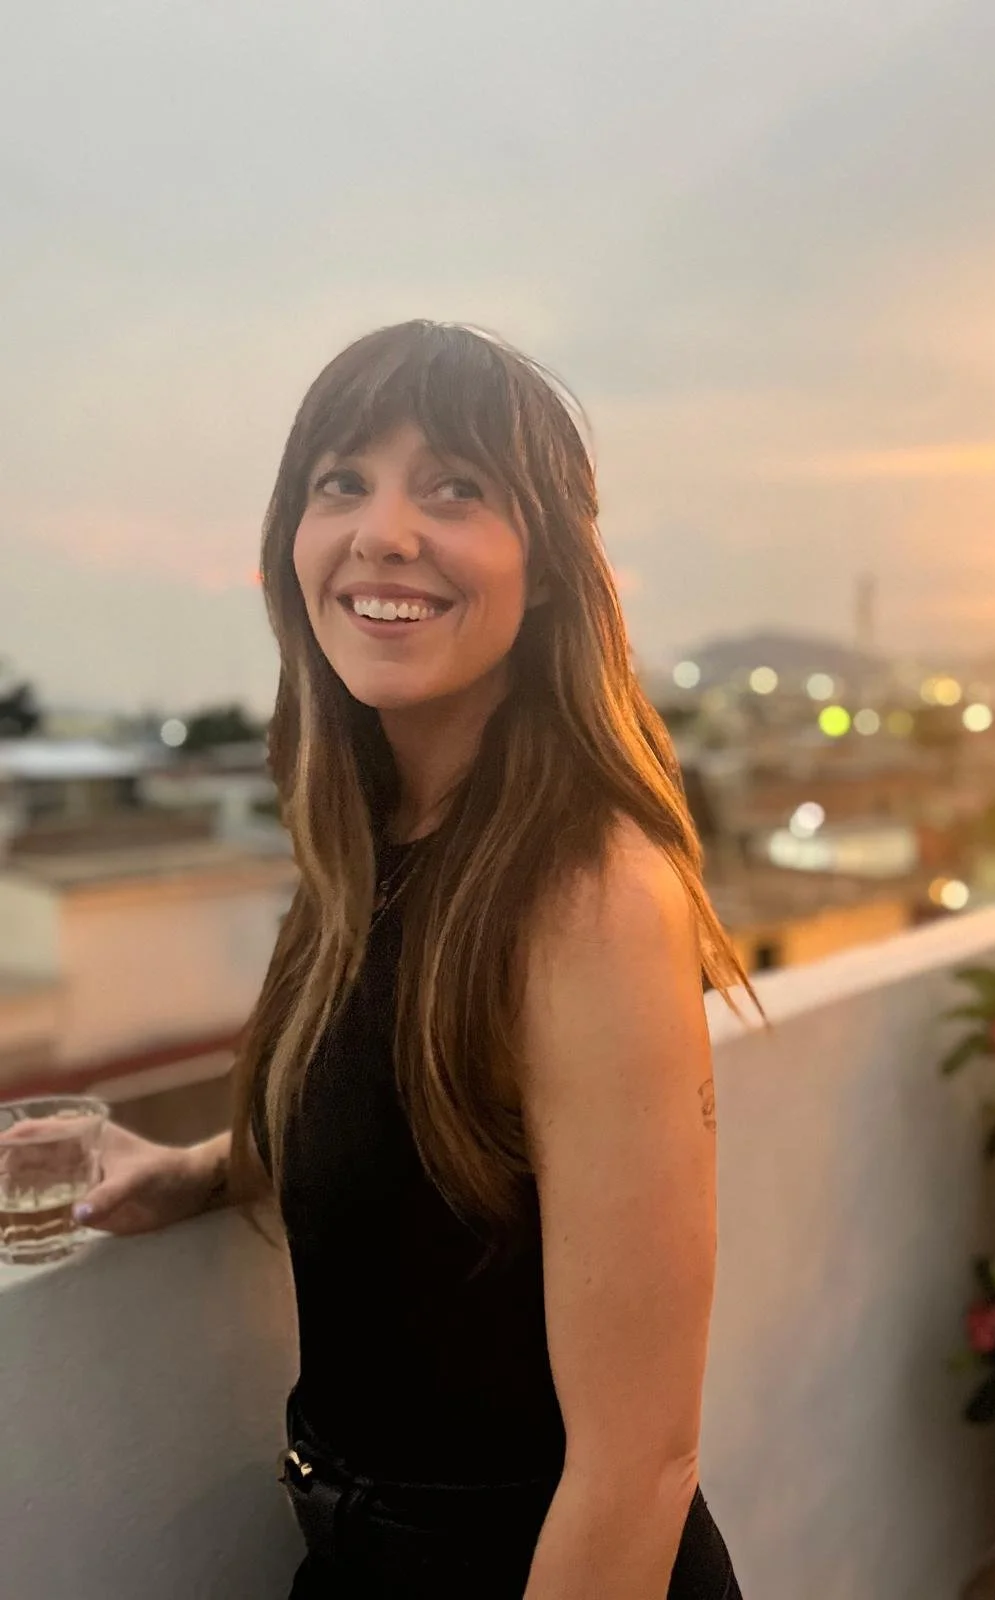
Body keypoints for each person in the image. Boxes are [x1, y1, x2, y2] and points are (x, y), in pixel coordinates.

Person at [73, 320, 758, 1599]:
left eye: (454, 488)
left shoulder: (587, 889)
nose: (386, 530)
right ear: (294, 539)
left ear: (546, 567)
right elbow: (412, 1121)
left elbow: (638, 1463)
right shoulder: (366, 837)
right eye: (344, 480)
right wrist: (198, 1170)